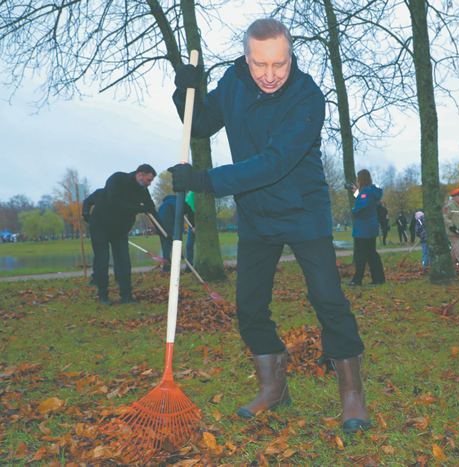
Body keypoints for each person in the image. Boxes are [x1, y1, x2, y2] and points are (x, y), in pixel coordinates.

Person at [167, 18, 369, 433]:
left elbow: (274, 163)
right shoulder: (233, 82)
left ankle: (352, 394)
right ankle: (273, 387)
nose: (270, 74)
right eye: (261, 65)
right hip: (256, 217)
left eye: (279, 64)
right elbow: (201, 122)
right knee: (250, 306)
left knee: (329, 301)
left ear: (290, 56)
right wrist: (183, 89)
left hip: (303, 212)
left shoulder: (308, 97)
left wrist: (205, 182)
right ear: (247, 58)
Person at [89, 164, 163, 305]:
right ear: (140, 175)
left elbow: (151, 210)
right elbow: (114, 202)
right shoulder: (117, 179)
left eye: (151, 181)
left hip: (120, 229)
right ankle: (103, 295)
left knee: (124, 261)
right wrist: (139, 208)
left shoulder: (142, 190)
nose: (149, 184)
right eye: (148, 180)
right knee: (102, 260)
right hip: (100, 225)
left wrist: (166, 233)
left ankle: (126, 296)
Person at [347, 169, 386, 286]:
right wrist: (355, 192)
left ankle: (357, 280)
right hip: (371, 228)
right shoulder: (372, 191)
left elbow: (361, 206)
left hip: (362, 229)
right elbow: (366, 200)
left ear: (361, 179)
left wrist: (354, 211)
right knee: (372, 254)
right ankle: (378, 278)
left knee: (360, 255)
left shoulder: (365, 192)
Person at [157, 193, 195, 273]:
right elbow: (179, 215)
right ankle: (171, 266)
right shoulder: (174, 203)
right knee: (172, 247)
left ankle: (167, 266)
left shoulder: (164, 204)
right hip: (169, 228)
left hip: (160, 228)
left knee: (166, 248)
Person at [184, 191, 197, 273]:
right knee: (189, 245)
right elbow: (189, 212)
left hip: (197, 226)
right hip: (191, 227)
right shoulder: (188, 197)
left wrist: (197, 226)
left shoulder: (194, 194)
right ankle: (189, 265)